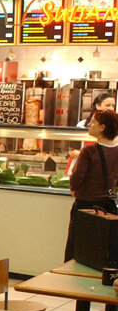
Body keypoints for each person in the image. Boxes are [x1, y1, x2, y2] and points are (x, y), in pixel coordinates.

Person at [65, 109, 118, 261]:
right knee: (100, 250)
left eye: (93, 122)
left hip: (85, 205)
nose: (89, 124)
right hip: (108, 206)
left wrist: (73, 189)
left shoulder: (89, 150)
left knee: (78, 249)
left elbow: (76, 177)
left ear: (102, 127)